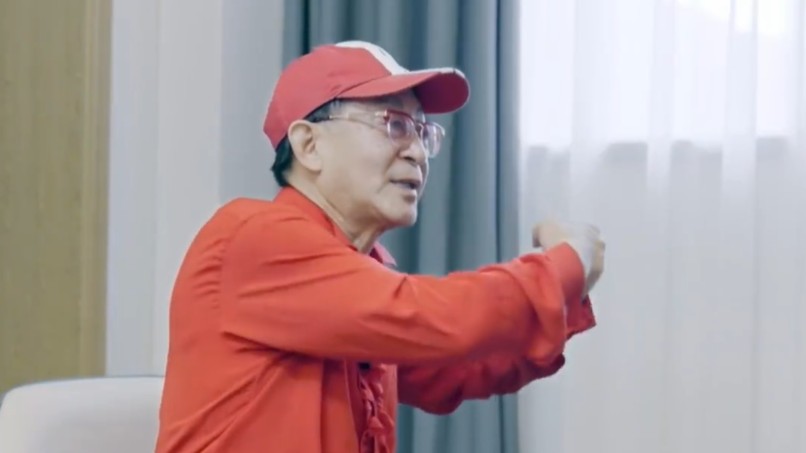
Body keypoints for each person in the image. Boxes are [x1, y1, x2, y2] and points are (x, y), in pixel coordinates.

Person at [154, 40, 604, 453]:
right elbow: (437, 318)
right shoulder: (254, 237)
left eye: (423, 133)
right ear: (309, 145)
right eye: (395, 125)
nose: (418, 153)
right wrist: (564, 266)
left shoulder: (362, 273)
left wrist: (565, 294)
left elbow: (459, 367)